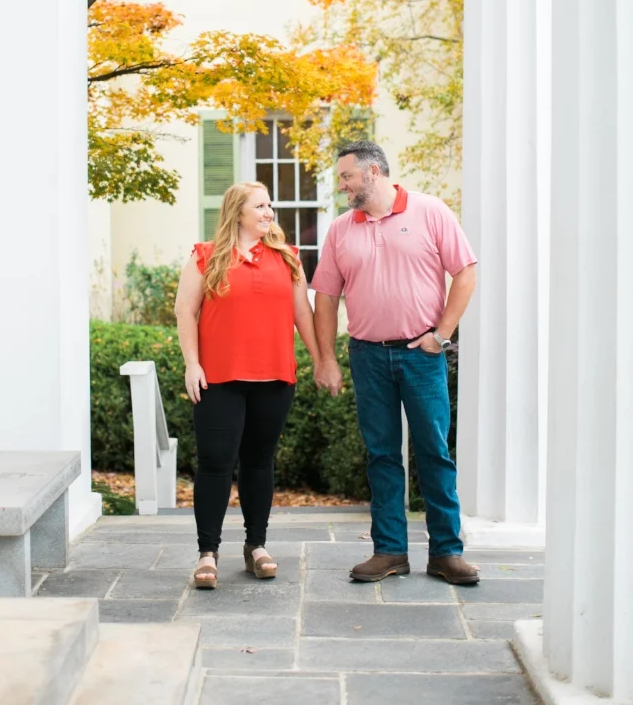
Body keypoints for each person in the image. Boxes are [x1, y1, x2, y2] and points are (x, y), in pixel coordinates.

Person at [312, 141, 479, 586]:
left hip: (419, 355)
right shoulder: (341, 230)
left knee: (434, 452)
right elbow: (325, 298)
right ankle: (389, 552)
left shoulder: (430, 211)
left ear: (373, 172)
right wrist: (326, 359)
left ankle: (446, 552)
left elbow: (465, 272)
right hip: (366, 355)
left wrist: (441, 334)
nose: (342, 186)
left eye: (347, 176)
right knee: (382, 455)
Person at [174, 181, 320, 589]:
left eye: (270, 205)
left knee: (259, 463)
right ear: (237, 212)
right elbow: (185, 310)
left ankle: (256, 546)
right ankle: (207, 553)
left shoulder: (288, 257)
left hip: (274, 378)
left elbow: (303, 316)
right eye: (260, 206)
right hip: (218, 379)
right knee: (215, 465)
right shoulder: (205, 256)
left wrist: (322, 360)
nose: (269, 212)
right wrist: (192, 364)